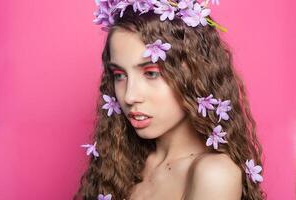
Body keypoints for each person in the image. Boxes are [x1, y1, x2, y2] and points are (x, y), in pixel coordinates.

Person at [75, 0, 266, 199]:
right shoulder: (121, 163)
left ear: (195, 73)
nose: (129, 96)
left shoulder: (213, 174)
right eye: (120, 75)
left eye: (151, 73)